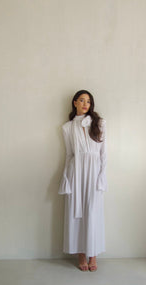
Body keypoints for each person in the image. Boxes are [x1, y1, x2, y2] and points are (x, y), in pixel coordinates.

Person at [58, 90, 107, 272]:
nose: (86, 104)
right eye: (82, 100)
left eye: (88, 101)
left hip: (93, 173)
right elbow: (69, 154)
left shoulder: (99, 123)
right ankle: (80, 253)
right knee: (76, 212)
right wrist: (66, 178)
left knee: (92, 211)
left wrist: (101, 177)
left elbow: (104, 154)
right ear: (75, 102)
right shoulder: (67, 128)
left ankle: (92, 254)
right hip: (75, 172)